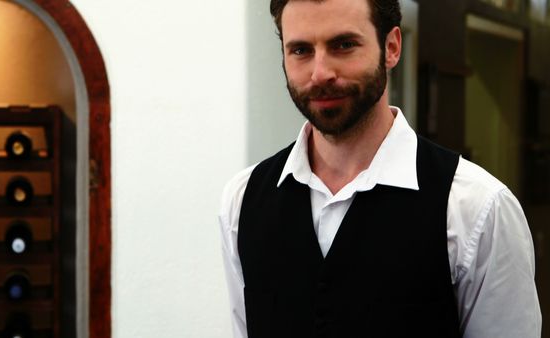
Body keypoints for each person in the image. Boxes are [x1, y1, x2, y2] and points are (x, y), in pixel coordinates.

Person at [218, 0, 542, 337]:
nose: (320, 73)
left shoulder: (477, 208)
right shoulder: (241, 200)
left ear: (391, 47)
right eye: (301, 50)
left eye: (343, 45)